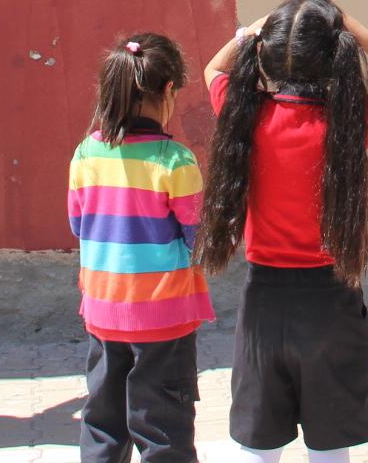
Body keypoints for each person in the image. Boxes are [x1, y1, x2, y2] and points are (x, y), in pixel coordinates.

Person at [194, 0, 368, 463]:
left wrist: (252, 29)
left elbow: (213, 73)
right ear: (336, 56)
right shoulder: (350, 121)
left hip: (264, 300)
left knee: (258, 443)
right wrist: (358, 31)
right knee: (329, 443)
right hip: (331, 300)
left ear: (267, 51)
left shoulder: (245, 114)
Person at [67, 32, 215, 463]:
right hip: (164, 315)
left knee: (102, 425)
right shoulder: (175, 159)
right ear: (168, 89)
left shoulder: (85, 154)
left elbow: (79, 223)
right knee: (163, 429)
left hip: (102, 309)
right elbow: (197, 237)